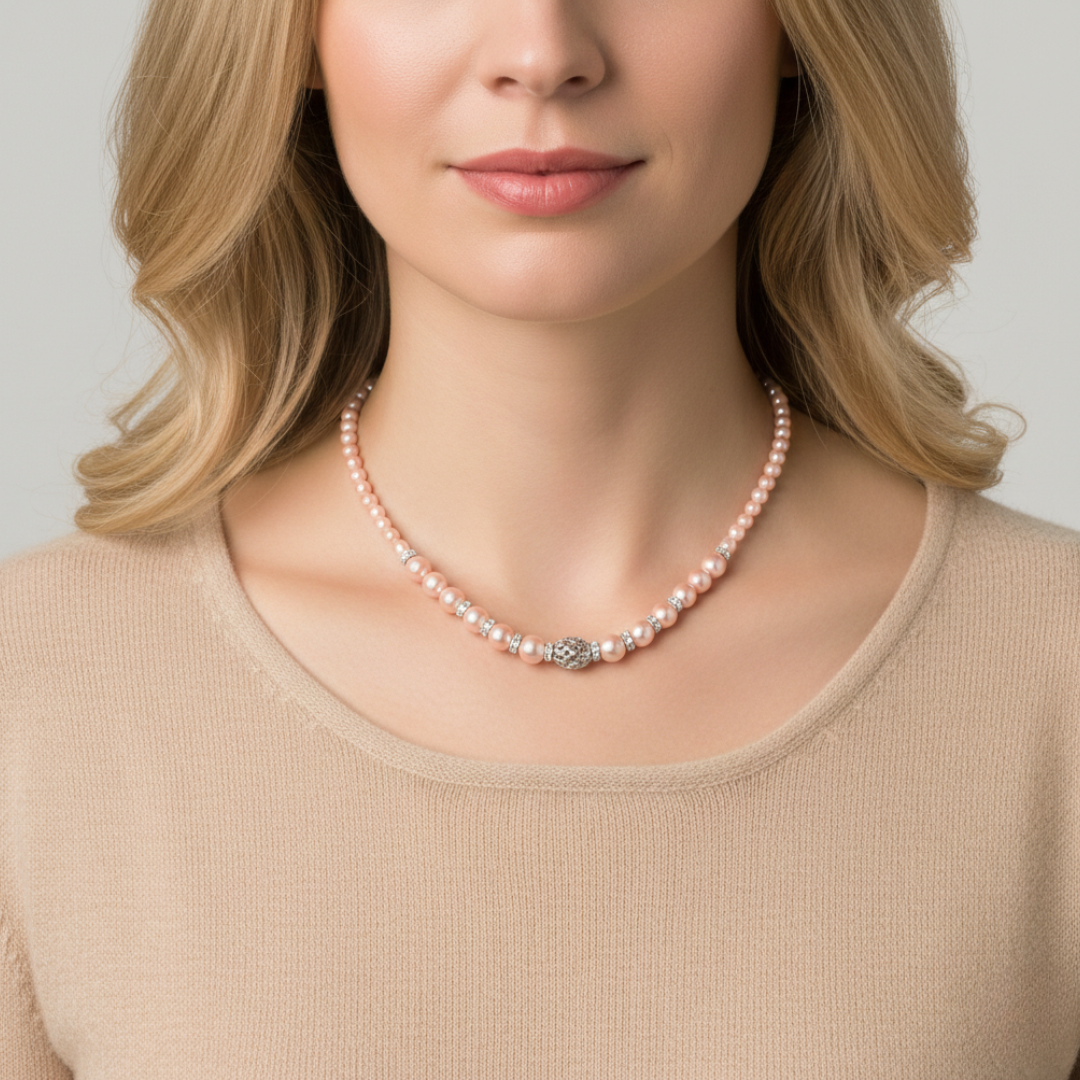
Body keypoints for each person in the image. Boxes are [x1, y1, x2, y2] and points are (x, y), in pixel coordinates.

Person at [2, 0, 1078, 1072]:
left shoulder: (1048, 674)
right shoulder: (40, 691)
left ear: (800, 31)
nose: (543, 55)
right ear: (296, 40)